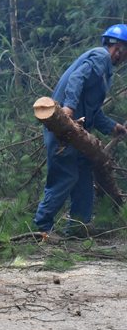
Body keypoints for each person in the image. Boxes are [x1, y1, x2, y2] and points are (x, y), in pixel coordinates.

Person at [33, 24, 127, 234]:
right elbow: (77, 78)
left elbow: (93, 112)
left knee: (84, 173)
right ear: (119, 48)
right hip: (63, 130)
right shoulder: (101, 57)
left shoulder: (105, 73)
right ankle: (41, 228)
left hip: (77, 134)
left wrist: (113, 127)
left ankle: (78, 228)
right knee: (65, 175)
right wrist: (68, 107)